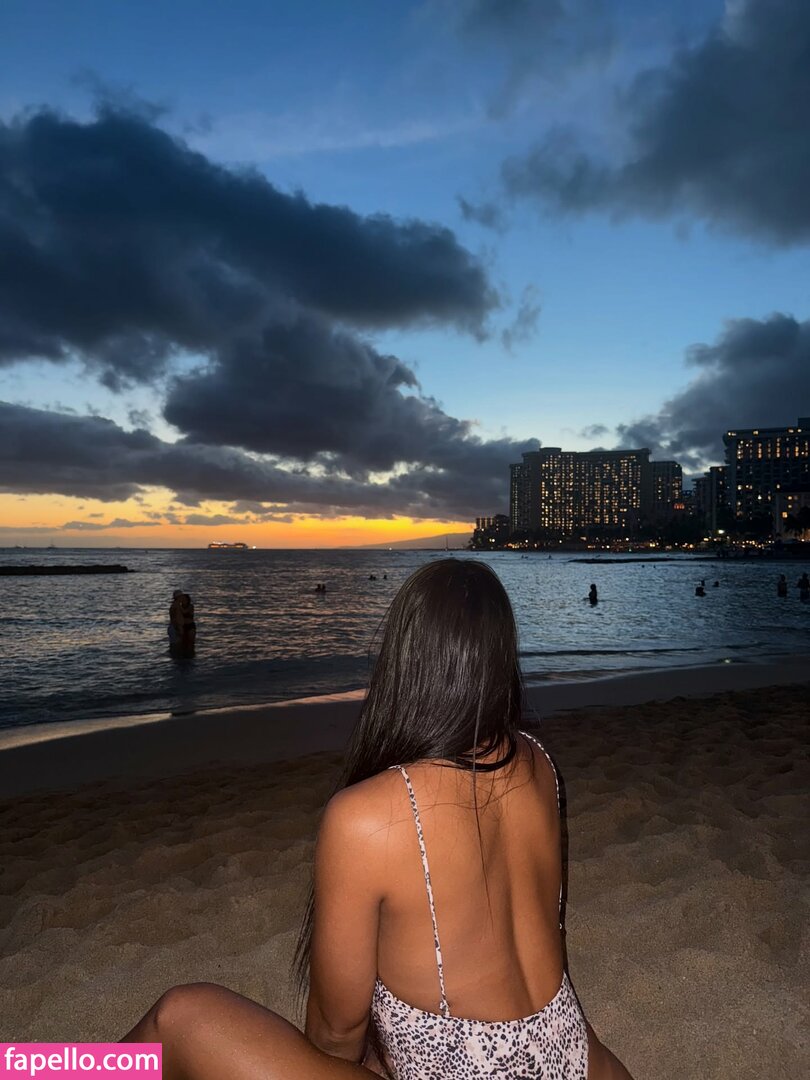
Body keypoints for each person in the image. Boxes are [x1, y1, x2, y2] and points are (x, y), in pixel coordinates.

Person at [124, 560, 634, 1079]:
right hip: (567, 1052)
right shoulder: (540, 763)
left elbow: (336, 1032)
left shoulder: (370, 817)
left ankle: (68, 1070)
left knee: (178, 1017)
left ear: (404, 658)